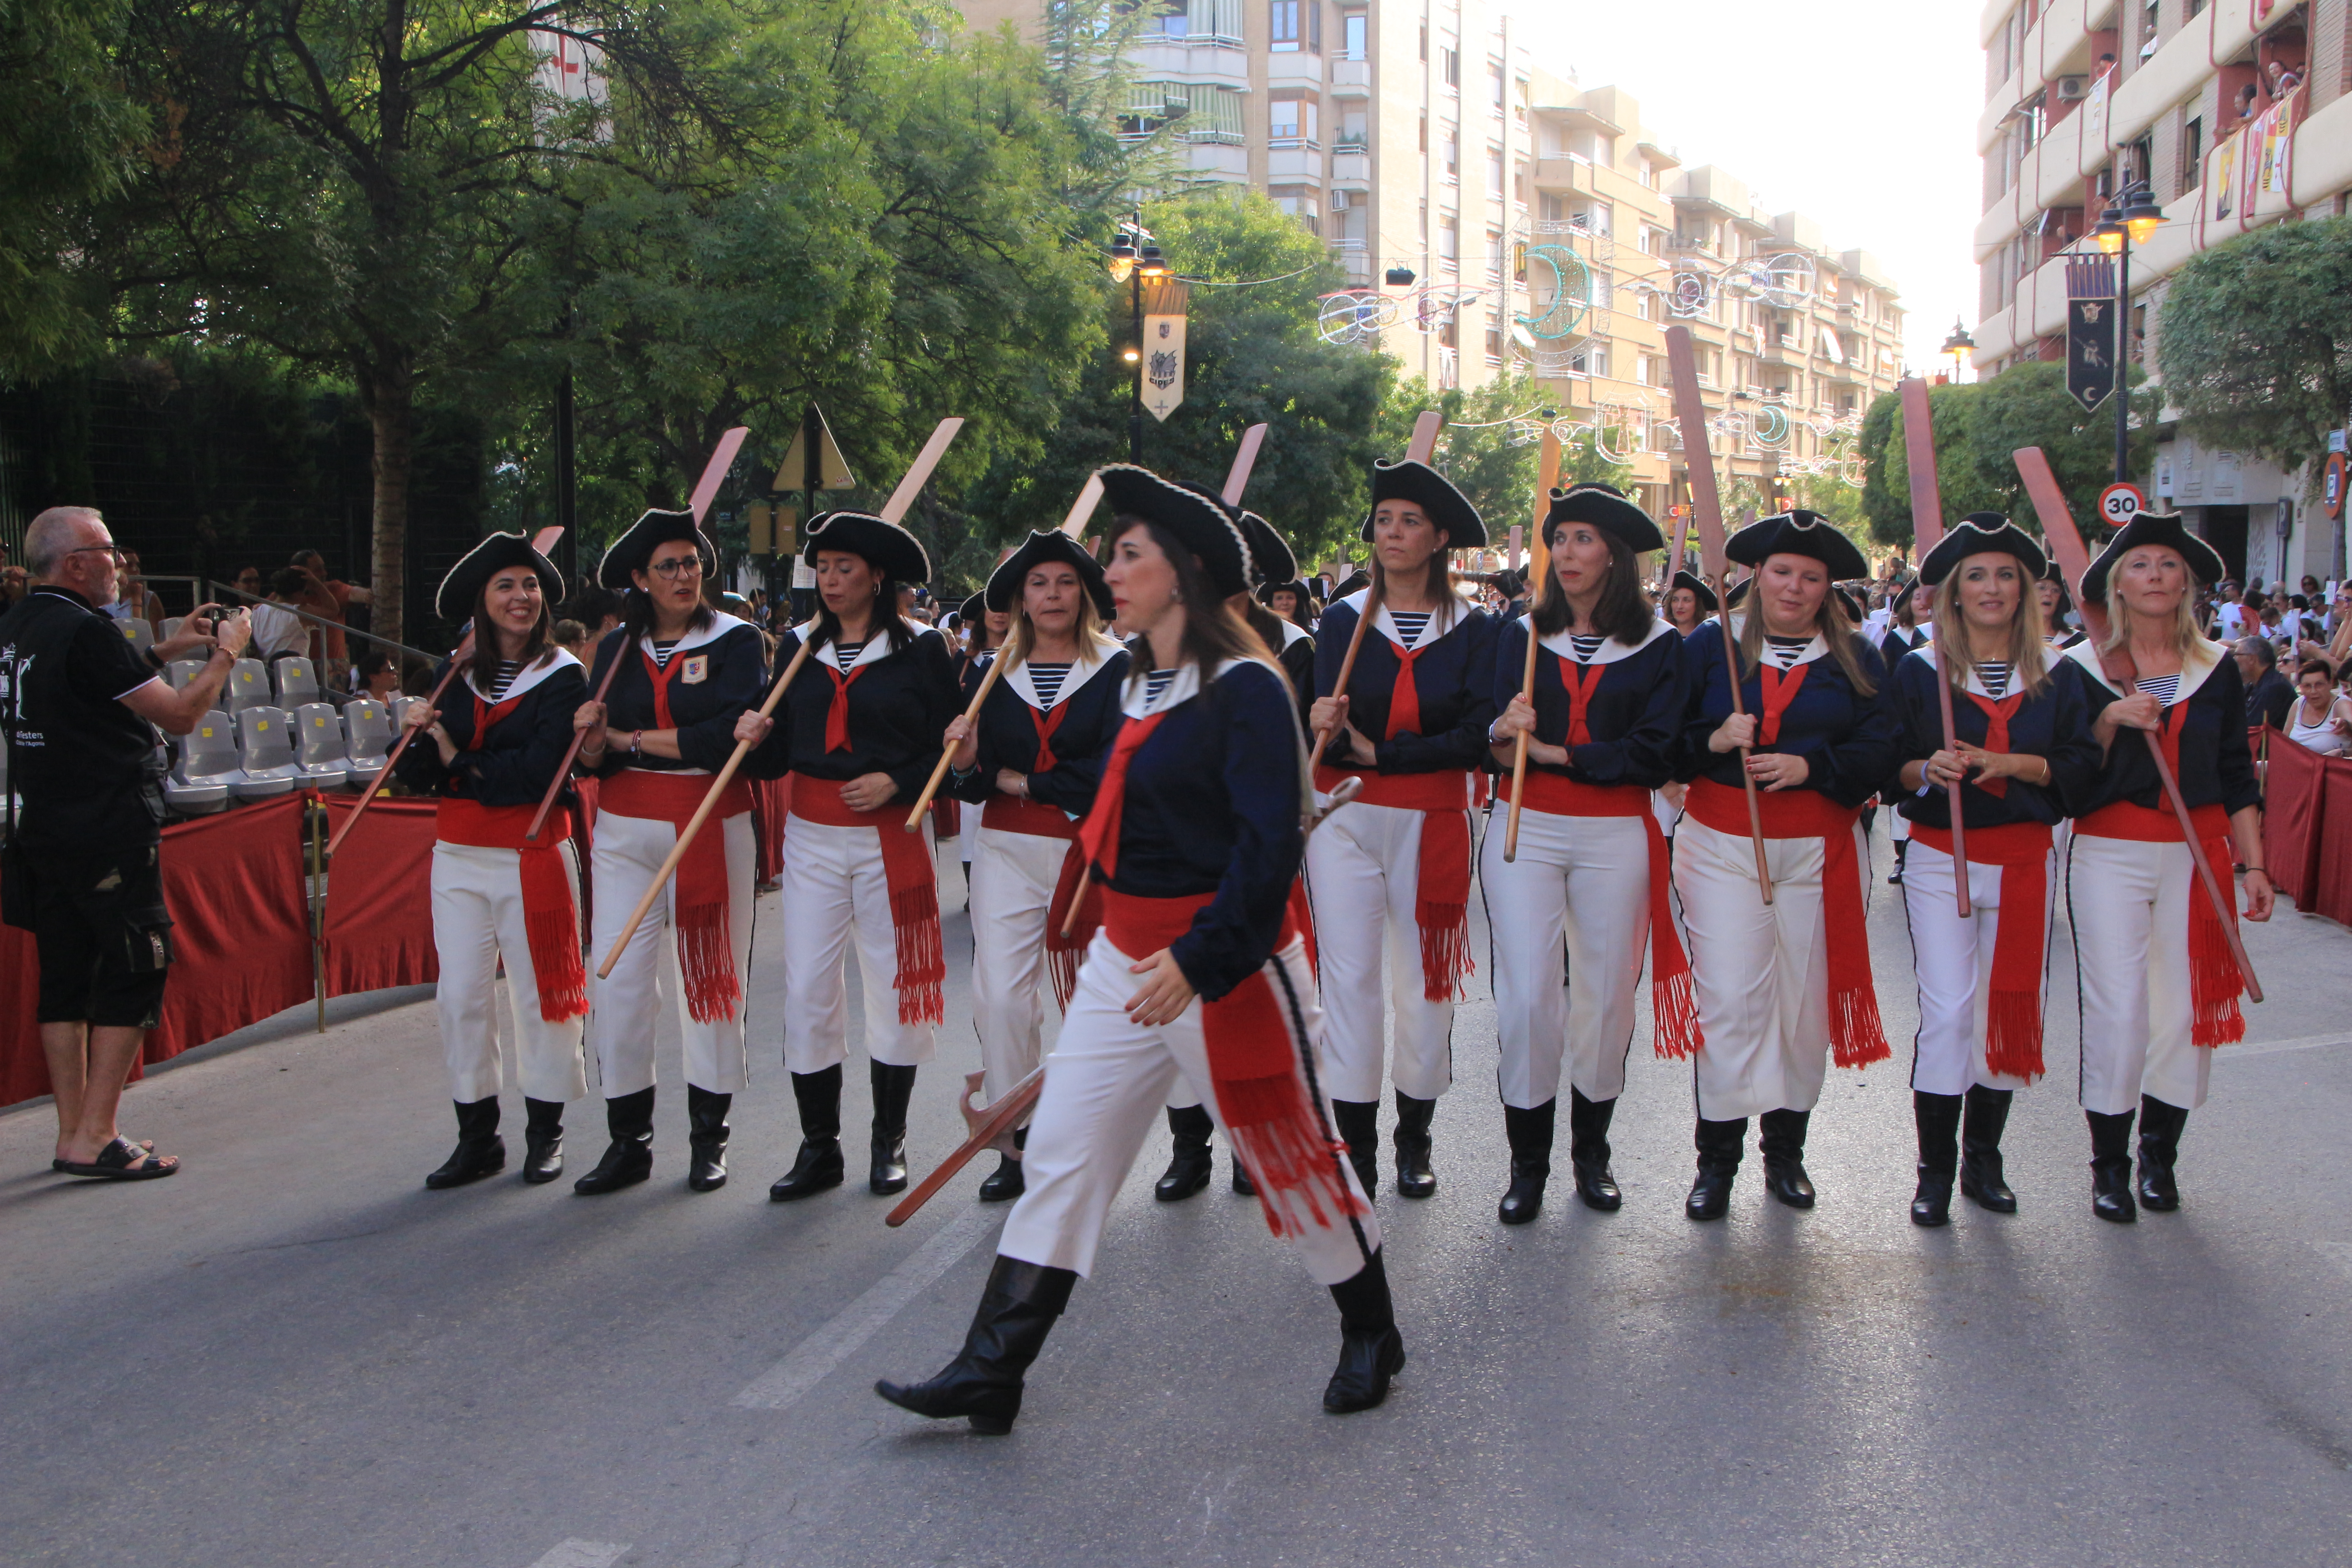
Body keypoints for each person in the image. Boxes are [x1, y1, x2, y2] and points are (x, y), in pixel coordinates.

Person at [874, 465, 1399, 1435]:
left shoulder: (1246, 685)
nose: (1107, 572)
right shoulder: (1128, 677)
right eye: (1111, 554)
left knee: (1290, 1160)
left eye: (1127, 555)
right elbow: (1102, 816)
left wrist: (1200, 961)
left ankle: (1372, 1329)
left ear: (1186, 571)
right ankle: (993, 1367)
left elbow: (1269, 841)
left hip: (1226, 965)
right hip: (1127, 954)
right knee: (1066, 1158)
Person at [1, 507, 250, 1181]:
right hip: (106, 825)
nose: (120, 563)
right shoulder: (85, 629)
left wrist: (167, 652)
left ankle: (74, 1131)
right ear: (76, 562)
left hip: (46, 825)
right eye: (108, 550)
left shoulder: (22, 624)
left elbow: (87, 685)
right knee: (137, 964)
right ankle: (100, 1132)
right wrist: (228, 651)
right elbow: (182, 714)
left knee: (68, 976)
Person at [1673, 511, 1900, 1220]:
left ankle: (1787, 1153)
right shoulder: (1711, 649)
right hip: (1720, 846)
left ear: (1828, 586)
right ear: (1753, 576)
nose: (1794, 588)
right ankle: (1717, 1162)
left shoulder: (1859, 657)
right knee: (1733, 1001)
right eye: (1781, 572)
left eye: (1810, 576)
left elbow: (1884, 748)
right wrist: (1713, 738)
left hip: (1819, 850)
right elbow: (1664, 740)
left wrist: (1814, 766)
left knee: (1801, 1009)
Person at [1482, 484, 1688, 1224]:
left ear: (1613, 556)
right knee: (1530, 997)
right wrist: (1501, 731)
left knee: (1603, 999)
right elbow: (1487, 728)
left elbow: (1652, 751)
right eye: (1557, 539)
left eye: (1581, 540)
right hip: (1522, 826)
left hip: (1613, 832)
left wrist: (1555, 752)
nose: (1565, 553)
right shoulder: (1515, 635)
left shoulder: (1660, 645)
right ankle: (1526, 1163)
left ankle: (1589, 1154)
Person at [1886, 517, 2100, 1225]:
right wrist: (1928, 767)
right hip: (1941, 859)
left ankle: (1985, 1161)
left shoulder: (2062, 675)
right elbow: (1889, 764)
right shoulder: (1920, 670)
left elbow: (2081, 768)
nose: (1992, 587)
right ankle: (1934, 1172)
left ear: (2029, 591)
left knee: (2006, 1011)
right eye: (1976, 574)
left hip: (2023, 860)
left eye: (2006, 574)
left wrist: (2015, 765)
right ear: (1952, 590)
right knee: (1949, 1011)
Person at [743, 511, 959, 1203]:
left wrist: (898, 778)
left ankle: (889, 1140)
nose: (831, 581)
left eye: (845, 568)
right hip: (811, 838)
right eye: (824, 568)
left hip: (891, 836)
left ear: (876, 576)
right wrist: (753, 734)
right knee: (808, 987)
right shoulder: (799, 647)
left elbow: (948, 748)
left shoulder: (923, 649)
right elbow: (779, 751)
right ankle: (819, 1147)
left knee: (896, 984)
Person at [2063, 511, 2270, 1221]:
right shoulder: (2086, 668)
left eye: (2169, 565)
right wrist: (2106, 723)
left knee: (2182, 1014)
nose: (2156, 577)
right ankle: (2109, 1168)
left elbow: (2237, 773)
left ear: (2188, 583)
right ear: (2116, 583)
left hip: (2199, 857)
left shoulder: (2218, 669)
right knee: (2119, 1008)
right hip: (2110, 852)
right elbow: (2065, 774)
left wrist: (2255, 868)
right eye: (2141, 564)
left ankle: (2160, 1160)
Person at [1308, 457, 1497, 1200]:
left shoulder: (1475, 629)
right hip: (1346, 816)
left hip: (1433, 816)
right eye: (1382, 520)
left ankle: (1413, 1136)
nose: (1391, 533)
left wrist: (1385, 751)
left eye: (1408, 521)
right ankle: (1353, 1148)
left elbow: (1476, 735)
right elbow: (1321, 721)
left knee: (1423, 986)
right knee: (1349, 982)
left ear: (1438, 538)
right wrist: (1316, 720)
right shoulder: (1339, 620)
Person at [573, 510, 776, 1196]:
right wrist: (599, 741)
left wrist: (632, 740)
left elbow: (726, 738)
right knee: (619, 984)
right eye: (669, 566)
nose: (686, 575)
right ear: (640, 579)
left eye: (692, 563)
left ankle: (708, 1139)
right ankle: (628, 1142)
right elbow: (595, 760)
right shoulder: (616, 650)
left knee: (712, 983)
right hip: (625, 828)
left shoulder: (737, 639)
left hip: (711, 823)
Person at [392, 534, 589, 1189]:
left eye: (530, 586)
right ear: (483, 599)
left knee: (543, 999)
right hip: (458, 856)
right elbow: (417, 778)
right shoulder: (456, 673)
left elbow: (536, 775)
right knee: (461, 998)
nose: (521, 598)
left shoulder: (563, 675)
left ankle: (546, 1134)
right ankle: (477, 1138)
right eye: (506, 586)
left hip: (531, 854)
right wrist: (417, 736)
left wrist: (455, 759)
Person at [941, 529, 1127, 1202]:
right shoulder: (991, 671)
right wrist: (965, 761)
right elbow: (969, 782)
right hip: (1004, 848)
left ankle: (1085, 1138)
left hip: (1092, 850)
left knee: (1094, 997)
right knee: (999, 996)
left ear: (1085, 594)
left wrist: (1018, 780)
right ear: (1020, 598)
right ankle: (1015, 1140)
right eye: (1039, 585)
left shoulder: (1119, 667)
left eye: (1066, 583)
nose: (1052, 596)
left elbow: (1109, 773)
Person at [1153, 500, 1317, 1198]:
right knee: (1176, 1004)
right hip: (1176, 857)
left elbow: (1294, 762)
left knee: (1249, 1001)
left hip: (1251, 849)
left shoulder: (1289, 650)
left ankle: (1254, 1140)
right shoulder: (1159, 647)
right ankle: (1188, 1148)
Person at [290, 549, 372, 681]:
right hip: (303, 669)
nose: (324, 573)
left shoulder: (334, 589)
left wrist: (369, 597)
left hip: (333, 669)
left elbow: (360, 594)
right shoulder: (289, 598)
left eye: (323, 568)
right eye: (318, 569)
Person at [2288, 658, 2352, 755]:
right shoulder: (2299, 704)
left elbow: (2350, 721)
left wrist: (2348, 726)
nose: (2313, 691)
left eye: (2319, 685)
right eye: (2307, 686)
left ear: (2331, 683)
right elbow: (2284, 742)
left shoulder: (2342, 704)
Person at [248, 568, 312, 663]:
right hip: (296, 670)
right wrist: (316, 583)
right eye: (306, 592)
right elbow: (332, 610)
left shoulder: (258, 610)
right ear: (297, 593)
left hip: (266, 670)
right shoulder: (299, 613)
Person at [2236, 635, 2295, 731]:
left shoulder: (2274, 688)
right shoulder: (2254, 685)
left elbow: (2251, 728)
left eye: (2238, 655)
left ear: (2252, 659)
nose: (2236, 659)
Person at [1664, 569, 1716, 637]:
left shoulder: (1708, 637)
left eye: (1687, 600)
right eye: (1675, 600)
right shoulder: (1662, 637)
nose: (1680, 606)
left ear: (1698, 605)